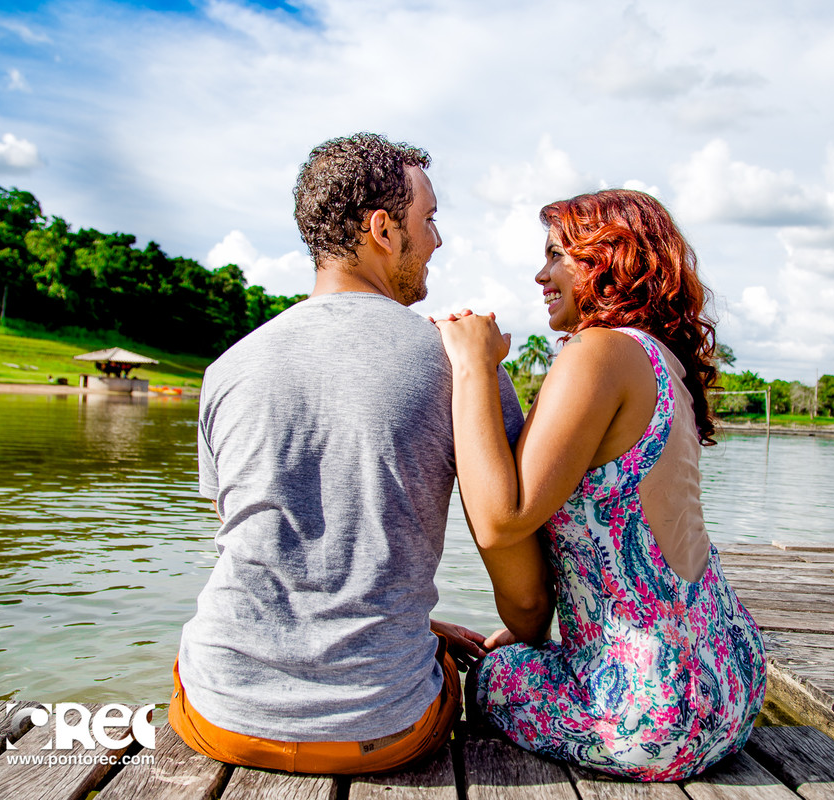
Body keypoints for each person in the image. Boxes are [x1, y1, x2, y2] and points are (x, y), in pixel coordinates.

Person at [169, 132, 551, 775]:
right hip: (384, 730)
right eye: (428, 221)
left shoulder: (228, 368)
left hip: (220, 715)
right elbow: (525, 595)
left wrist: (415, 626)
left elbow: (265, 551)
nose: (438, 239)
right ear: (383, 228)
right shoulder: (462, 366)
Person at [435, 189, 767, 781]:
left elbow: (502, 517)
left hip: (653, 714)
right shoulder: (661, 360)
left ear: (609, 257)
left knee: (488, 676)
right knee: (521, 650)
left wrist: (472, 366)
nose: (542, 273)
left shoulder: (597, 352)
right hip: (730, 680)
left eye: (559, 253)